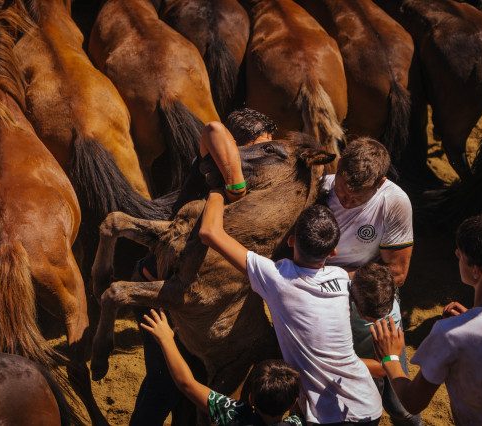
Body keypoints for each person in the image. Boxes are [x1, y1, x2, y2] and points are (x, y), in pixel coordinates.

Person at [130, 108, 277, 426]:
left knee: (192, 381)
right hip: (160, 290)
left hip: (192, 300)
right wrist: (236, 186)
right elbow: (212, 127)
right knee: (163, 383)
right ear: (239, 145)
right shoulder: (209, 165)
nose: (264, 158)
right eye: (260, 148)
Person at [199, 202, 382, 425]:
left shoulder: (278, 278)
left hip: (327, 415)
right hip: (368, 406)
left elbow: (209, 231)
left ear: (291, 240)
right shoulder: (342, 277)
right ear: (332, 252)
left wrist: (219, 186)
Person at [321, 138, 421, 426]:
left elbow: (397, 274)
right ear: (338, 167)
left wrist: (328, 278)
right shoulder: (319, 189)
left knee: (399, 403)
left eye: (356, 198)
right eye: (341, 190)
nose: (345, 201)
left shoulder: (394, 202)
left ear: (380, 184)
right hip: (325, 305)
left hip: (372, 304)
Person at [371, 215, 482, 425]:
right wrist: (472, 318)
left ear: (476, 270)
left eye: (461, 253)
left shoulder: (450, 334)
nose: (456, 254)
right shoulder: (463, 328)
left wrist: (390, 358)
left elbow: (412, 402)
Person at [140, 308, 305, 426]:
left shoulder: (234, 414)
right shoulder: (298, 422)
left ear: (251, 398)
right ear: (293, 402)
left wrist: (166, 339)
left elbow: (186, 383)